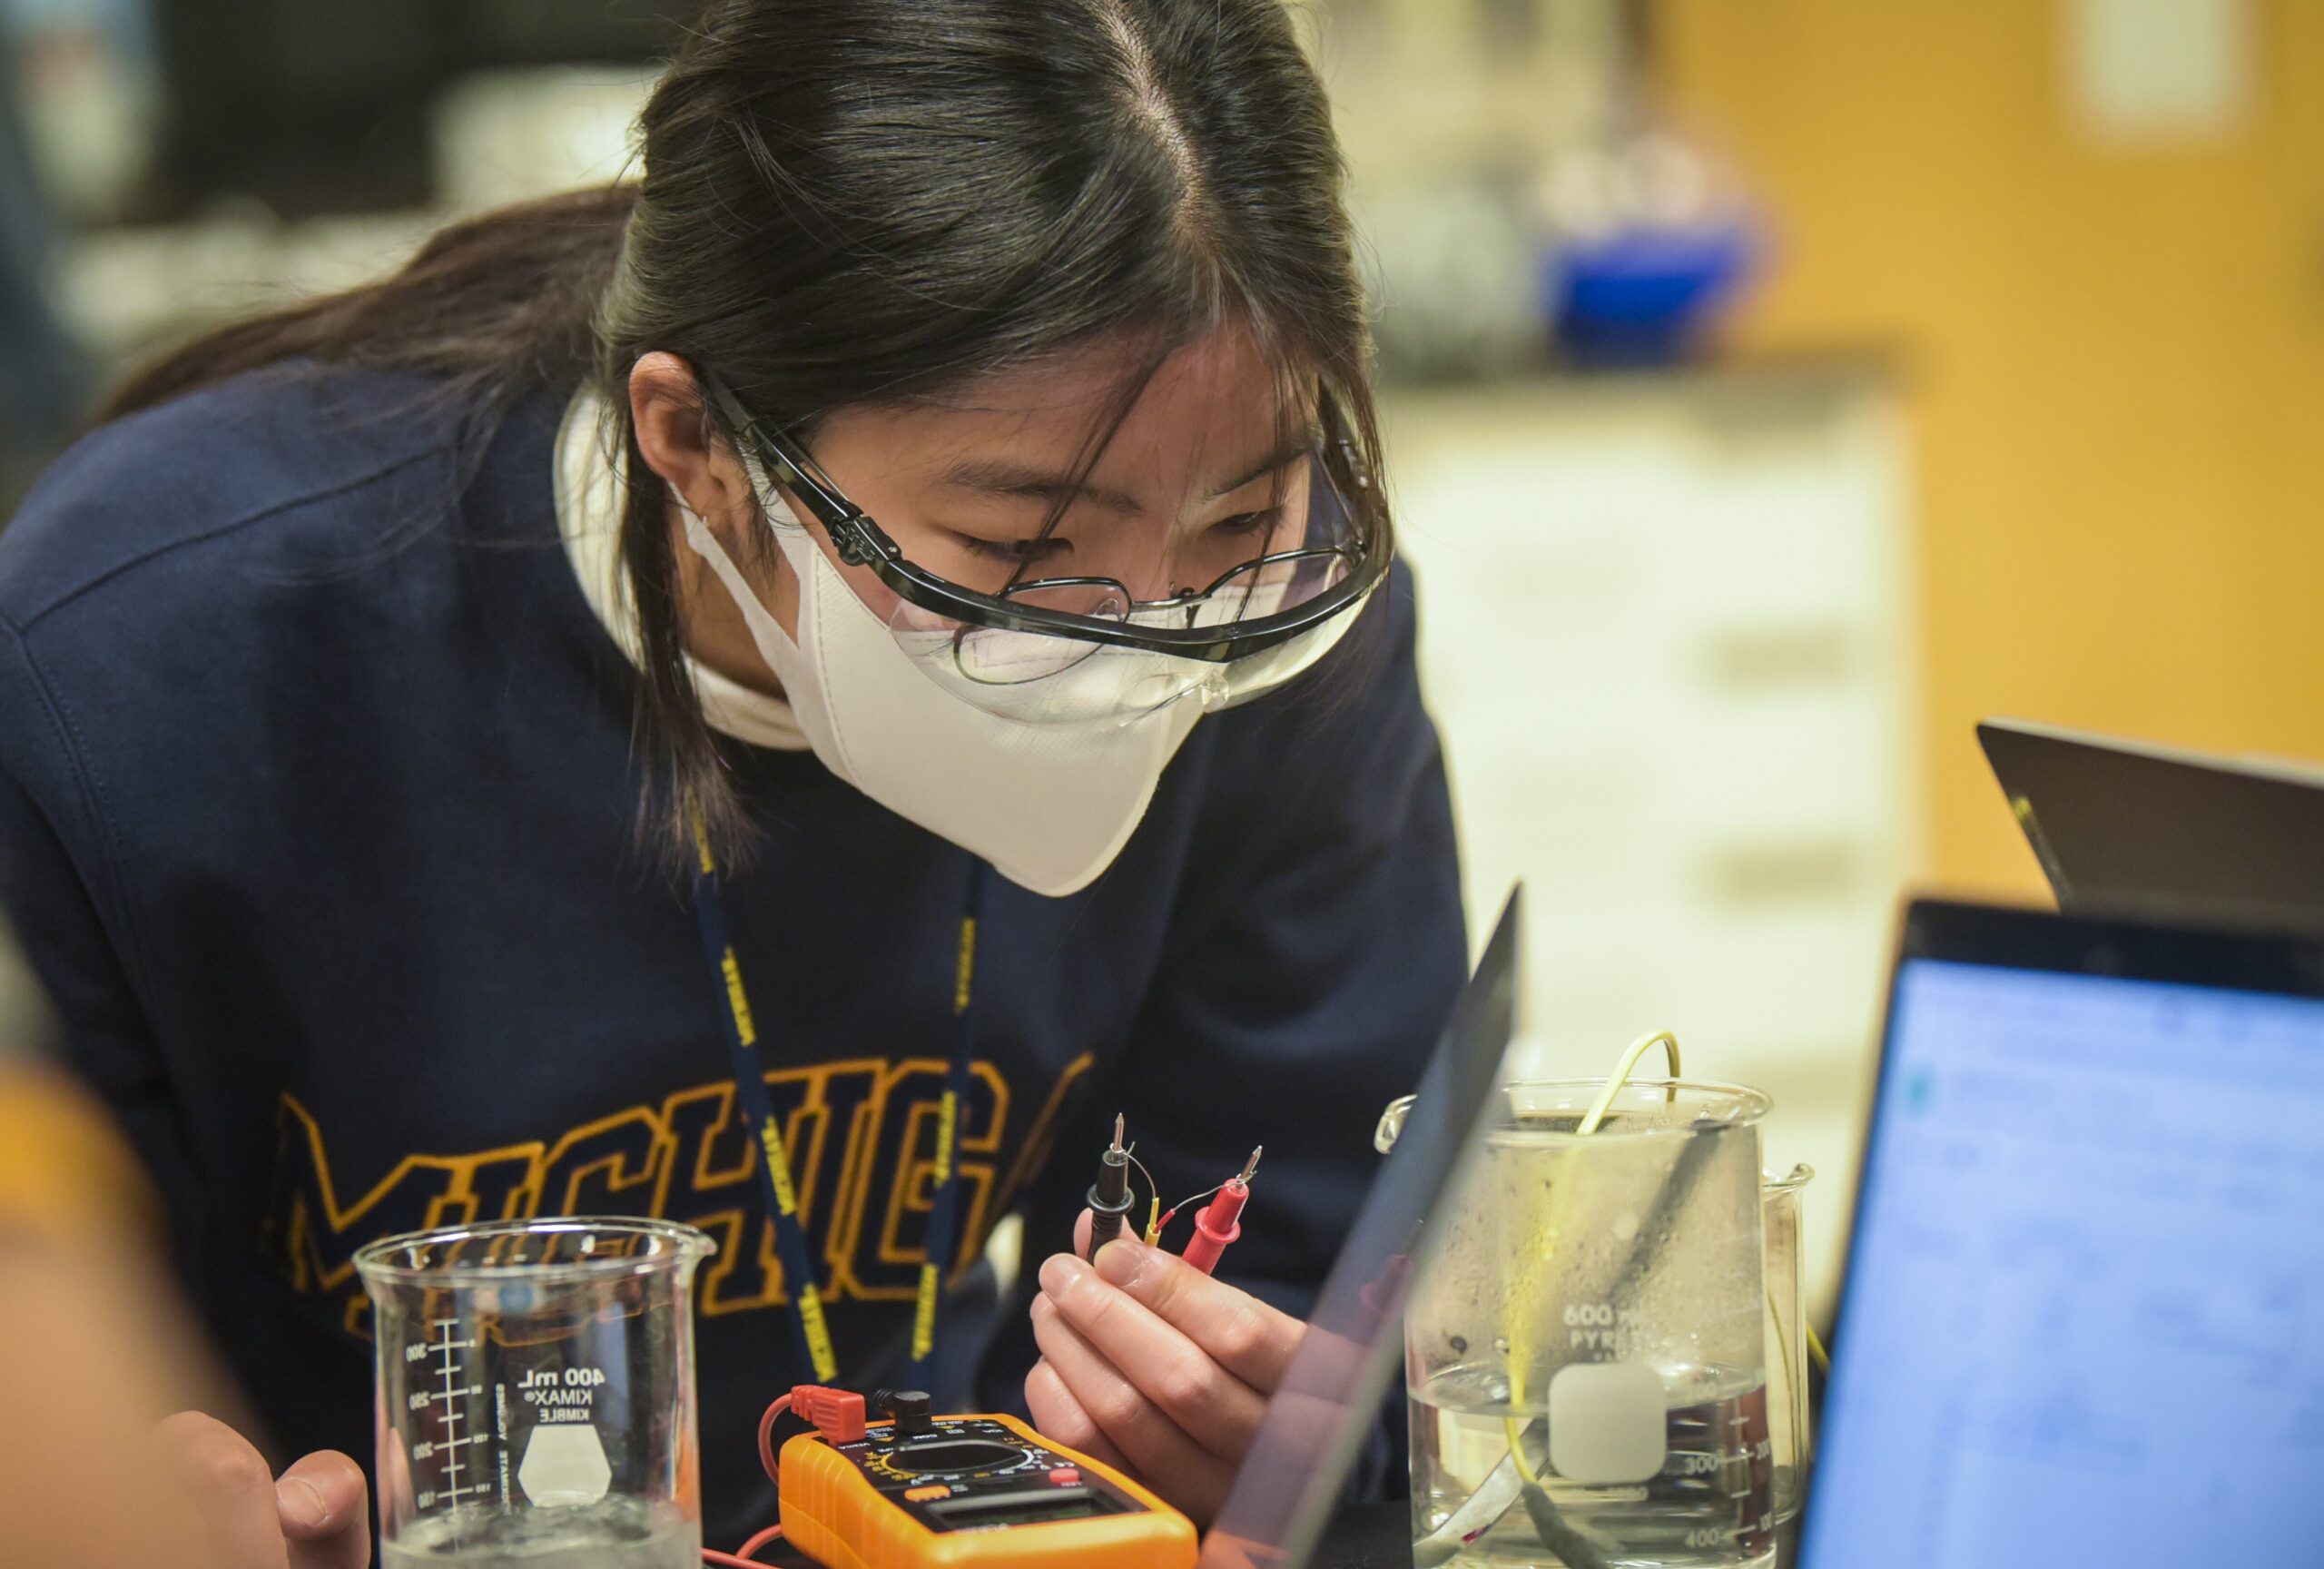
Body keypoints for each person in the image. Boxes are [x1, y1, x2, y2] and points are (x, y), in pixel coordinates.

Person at [0, 0, 1464, 1545]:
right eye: (1020, 552)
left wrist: (1296, 1457)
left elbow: (1325, 1290)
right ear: (696, 442)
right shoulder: (147, 665)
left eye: (1235, 522)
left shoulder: (1273, 631)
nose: (1140, 649)